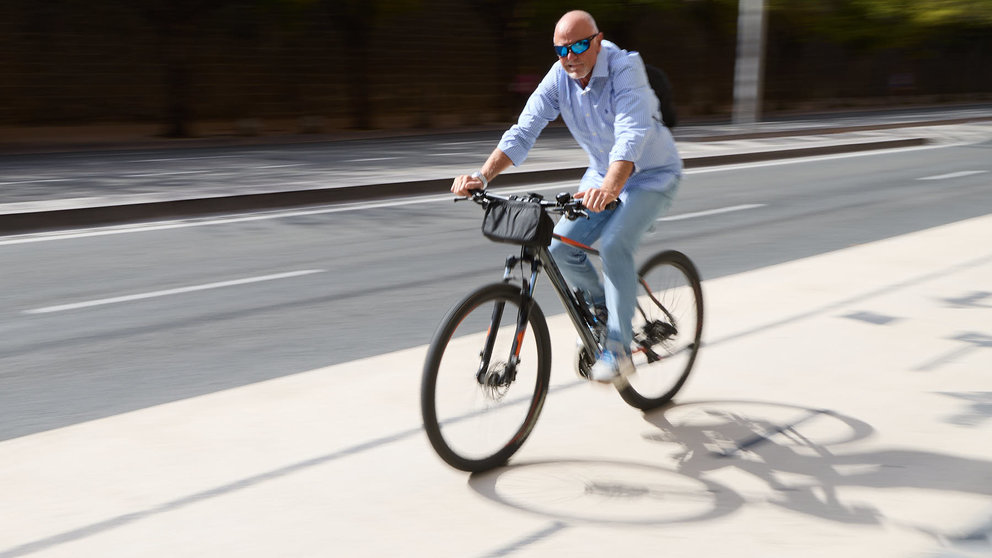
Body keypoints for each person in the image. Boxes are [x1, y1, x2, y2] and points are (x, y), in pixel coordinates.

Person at [451, 10, 682, 384]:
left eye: (578, 45)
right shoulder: (560, 76)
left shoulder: (624, 69)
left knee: (615, 245)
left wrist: (611, 188)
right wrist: (482, 175)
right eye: (561, 49)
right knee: (560, 248)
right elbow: (524, 129)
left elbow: (632, 133)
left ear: (597, 40)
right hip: (601, 174)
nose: (570, 56)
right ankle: (605, 310)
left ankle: (619, 349)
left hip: (652, 176)